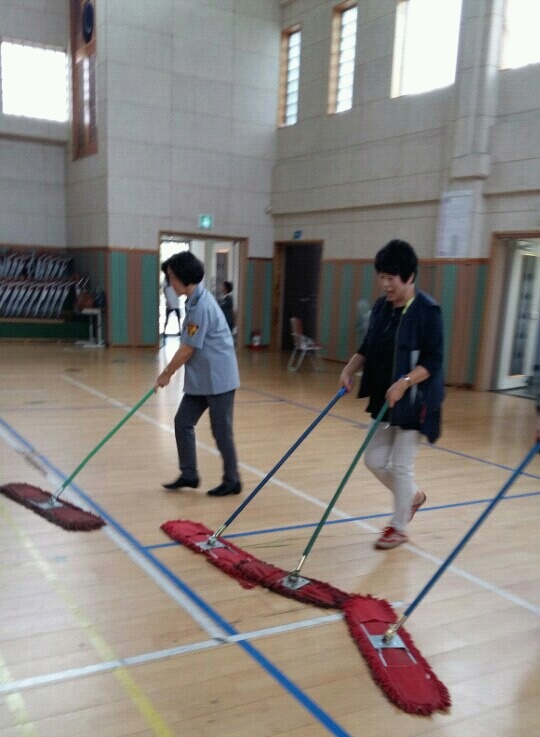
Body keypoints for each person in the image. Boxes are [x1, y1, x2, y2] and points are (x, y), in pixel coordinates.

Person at [340, 240, 444, 550]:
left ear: (409, 277)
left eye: (391, 278)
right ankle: (412, 496)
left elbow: (434, 361)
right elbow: (367, 346)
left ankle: (398, 528)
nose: (385, 284)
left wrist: (405, 382)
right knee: (373, 460)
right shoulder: (381, 308)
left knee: (400, 466)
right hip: (386, 399)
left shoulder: (428, 311)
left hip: (415, 400)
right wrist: (349, 369)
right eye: (382, 277)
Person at [155, 252, 242, 497]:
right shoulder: (193, 301)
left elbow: (187, 348)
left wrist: (166, 374)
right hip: (202, 379)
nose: (170, 283)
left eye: (172, 277)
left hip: (219, 379)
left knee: (221, 431)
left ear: (184, 277)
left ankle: (232, 481)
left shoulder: (201, 306)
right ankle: (189, 475)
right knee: (183, 422)